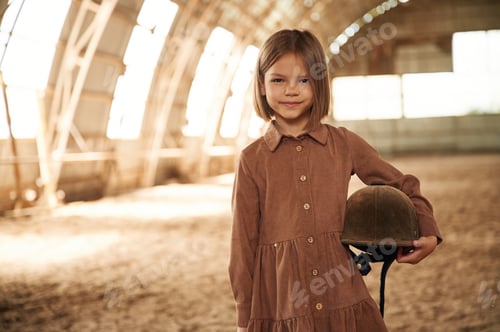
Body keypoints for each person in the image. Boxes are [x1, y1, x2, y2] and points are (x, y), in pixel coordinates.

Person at [228, 29, 442, 332]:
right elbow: (242, 245)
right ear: (261, 85)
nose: (291, 90)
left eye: (304, 80)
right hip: (281, 304)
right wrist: (244, 318)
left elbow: (403, 184)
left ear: (319, 84)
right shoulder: (251, 160)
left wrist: (427, 230)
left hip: (343, 293)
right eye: (278, 79)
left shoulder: (344, 143)